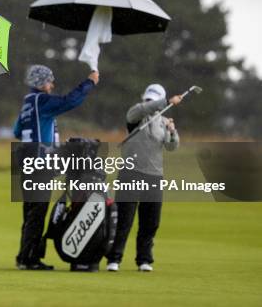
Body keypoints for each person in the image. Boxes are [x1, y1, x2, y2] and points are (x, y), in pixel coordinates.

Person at [13, 65, 99, 270]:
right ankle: (29, 259)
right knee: (38, 211)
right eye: (50, 81)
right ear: (41, 83)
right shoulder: (41, 101)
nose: (52, 85)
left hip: (27, 161)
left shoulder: (27, 103)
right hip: (39, 163)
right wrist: (89, 82)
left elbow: (17, 131)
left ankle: (24, 256)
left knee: (30, 211)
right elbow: (69, 101)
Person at [106, 84, 181, 272]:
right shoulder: (136, 114)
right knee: (124, 219)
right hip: (130, 173)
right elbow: (140, 110)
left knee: (150, 221)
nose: (149, 102)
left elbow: (172, 147)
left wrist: (172, 130)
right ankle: (114, 259)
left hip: (154, 176)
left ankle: (144, 260)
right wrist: (164, 102)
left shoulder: (164, 121)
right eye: (148, 99)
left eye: (153, 99)